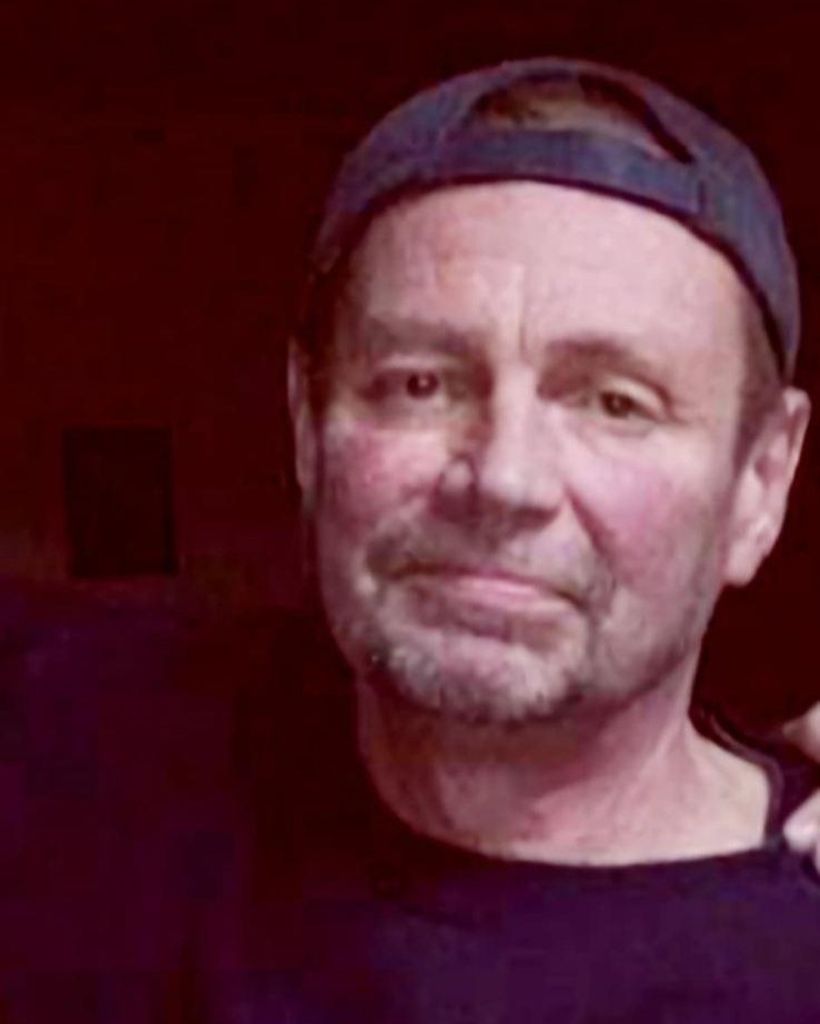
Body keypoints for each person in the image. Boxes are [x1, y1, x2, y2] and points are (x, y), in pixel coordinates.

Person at [199, 57, 820, 1021]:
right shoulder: (91, 763)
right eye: (420, 384)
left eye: (617, 403)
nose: (504, 480)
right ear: (306, 428)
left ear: (761, 483)